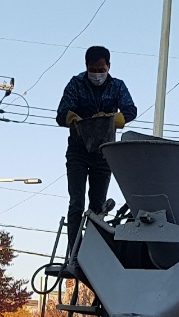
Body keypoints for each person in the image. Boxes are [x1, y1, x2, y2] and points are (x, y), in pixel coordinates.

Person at [55, 45, 137, 252]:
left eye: (102, 70)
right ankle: (74, 250)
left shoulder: (117, 86)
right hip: (78, 151)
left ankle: (91, 251)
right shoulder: (76, 84)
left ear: (108, 66)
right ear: (86, 66)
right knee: (76, 202)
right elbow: (61, 114)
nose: (98, 74)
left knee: (98, 206)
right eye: (93, 70)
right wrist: (73, 119)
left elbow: (131, 110)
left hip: (103, 153)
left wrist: (114, 119)